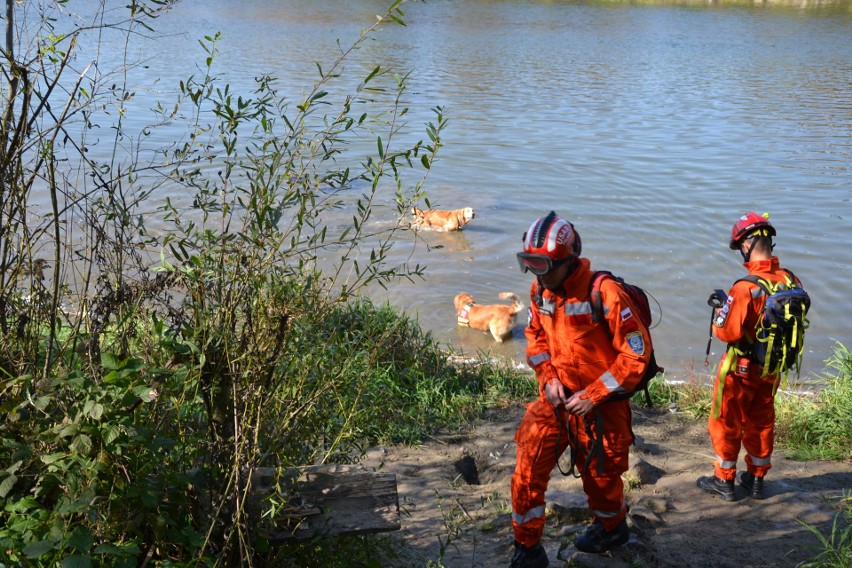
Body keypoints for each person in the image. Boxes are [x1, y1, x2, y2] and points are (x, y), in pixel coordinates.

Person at [510, 211, 653, 567]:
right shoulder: (539, 290)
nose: (537, 275)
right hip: (556, 399)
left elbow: (635, 354)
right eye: (530, 265)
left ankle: (612, 527)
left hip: (601, 406)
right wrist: (549, 377)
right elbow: (535, 337)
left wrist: (593, 396)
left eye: (543, 266)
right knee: (527, 467)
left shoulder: (604, 293)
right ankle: (527, 549)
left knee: (602, 478)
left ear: (568, 260)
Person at [697, 212, 802, 502]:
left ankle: (724, 479)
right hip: (772, 368)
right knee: (762, 420)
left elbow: (727, 333)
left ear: (747, 243)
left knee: (725, 420)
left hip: (740, 368)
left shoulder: (745, 287)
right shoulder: (790, 279)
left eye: (740, 245)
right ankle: (756, 479)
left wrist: (721, 313)